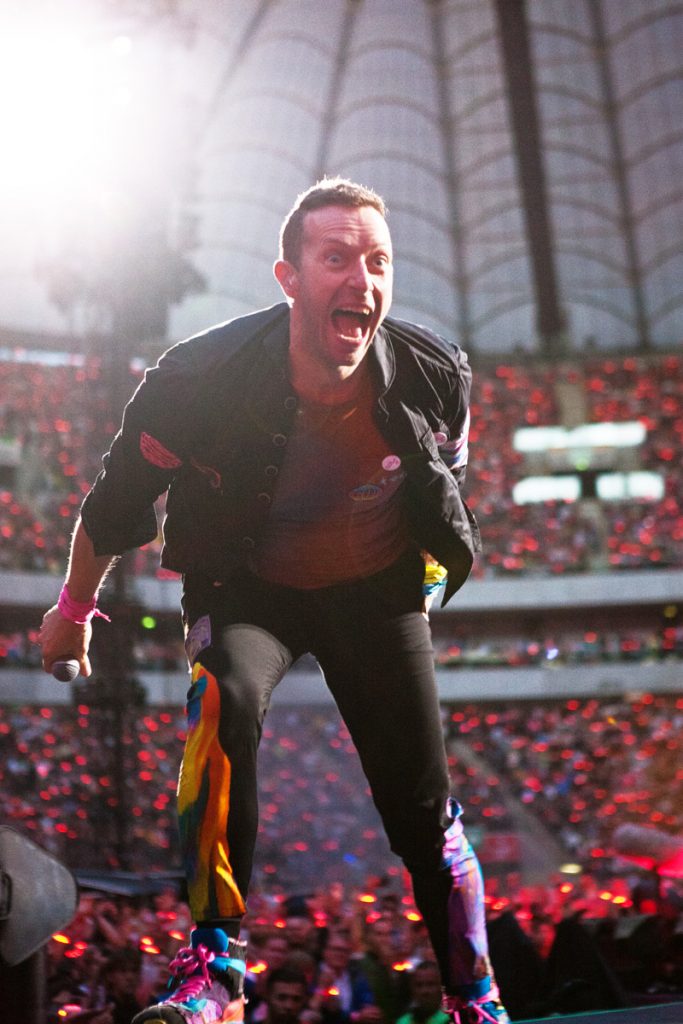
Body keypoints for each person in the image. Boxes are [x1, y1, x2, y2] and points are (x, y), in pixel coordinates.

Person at [39, 177, 509, 1024]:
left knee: (421, 809)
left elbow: (446, 486)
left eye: (377, 262)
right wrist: (73, 612)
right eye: (335, 258)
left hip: (375, 594)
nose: (361, 280)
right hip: (246, 587)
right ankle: (214, 971)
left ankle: (474, 997)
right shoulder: (197, 379)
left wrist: (422, 590)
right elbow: (115, 506)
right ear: (287, 277)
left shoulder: (435, 372)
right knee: (221, 699)